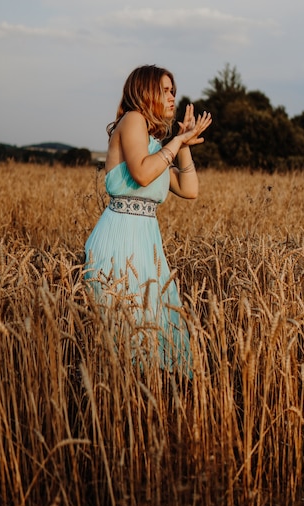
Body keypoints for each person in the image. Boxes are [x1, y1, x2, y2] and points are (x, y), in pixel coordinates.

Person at [84, 65, 212, 376]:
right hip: (119, 240)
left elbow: (189, 189)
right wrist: (177, 142)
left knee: (155, 329)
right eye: (166, 90)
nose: (172, 98)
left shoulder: (155, 144)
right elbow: (141, 174)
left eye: (173, 92)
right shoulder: (132, 120)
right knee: (124, 336)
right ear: (146, 92)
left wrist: (182, 146)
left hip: (146, 244)